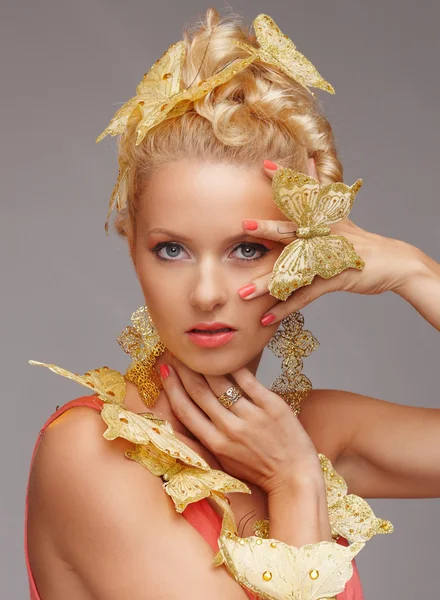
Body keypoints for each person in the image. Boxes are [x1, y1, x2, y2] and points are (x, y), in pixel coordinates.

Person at [24, 8, 440, 600]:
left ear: (304, 254)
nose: (207, 293)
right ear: (132, 249)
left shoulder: (311, 430)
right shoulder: (93, 454)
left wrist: (416, 272)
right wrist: (294, 483)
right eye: (171, 249)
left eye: (248, 248)